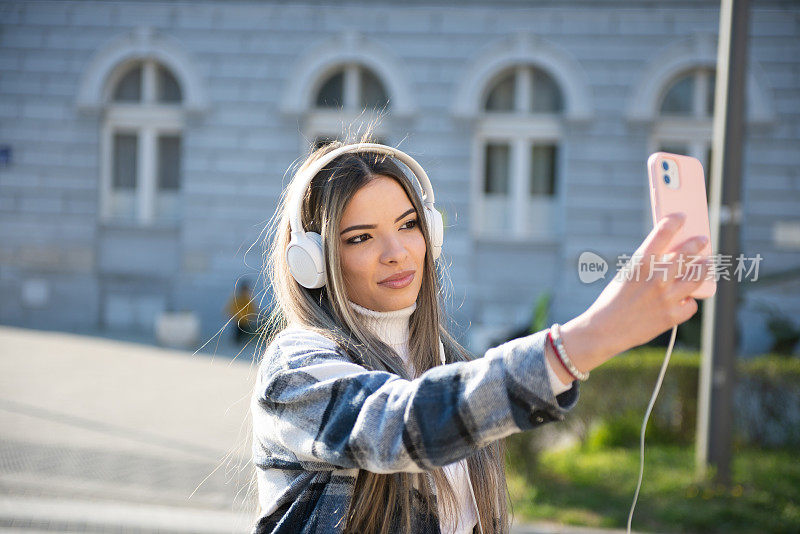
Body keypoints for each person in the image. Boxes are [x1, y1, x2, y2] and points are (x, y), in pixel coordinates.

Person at [249, 138, 710, 534]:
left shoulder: (447, 362)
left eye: (409, 225)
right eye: (360, 238)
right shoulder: (295, 367)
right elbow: (400, 425)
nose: (396, 253)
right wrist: (590, 337)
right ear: (310, 260)